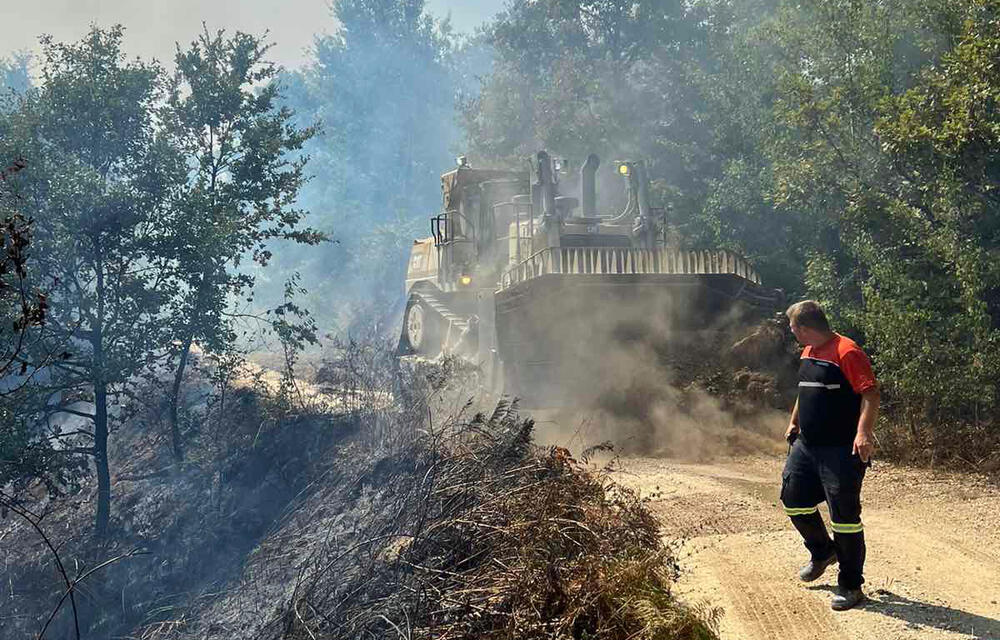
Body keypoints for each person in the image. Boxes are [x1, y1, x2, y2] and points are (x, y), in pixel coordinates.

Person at [782, 300, 880, 611]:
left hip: (840, 450)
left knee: (845, 519)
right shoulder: (809, 350)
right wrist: (794, 421)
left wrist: (863, 433)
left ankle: (851, 586)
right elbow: (805, 389)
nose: (791, 332)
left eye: (793, 327)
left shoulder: (847, 352)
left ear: (805, 328)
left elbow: (870, 393)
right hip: (807, 445)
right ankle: (822, 551)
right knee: (793, 500)